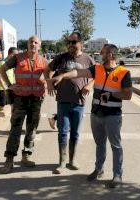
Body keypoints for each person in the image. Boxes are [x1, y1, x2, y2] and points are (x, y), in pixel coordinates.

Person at [50, 44, 132, 188]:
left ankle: (117, 175)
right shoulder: (97, 69)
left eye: (103, 52)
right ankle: (98, 170)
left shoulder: (124, 72)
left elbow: (128, 94)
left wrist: (112, 94)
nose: (100, 54)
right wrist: (62, 75)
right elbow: (78, 73)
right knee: (100, 144)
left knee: (115, 146)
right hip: (96, 115)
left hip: (113, 115)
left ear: (111, 55)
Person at [44, 32, 95, 174]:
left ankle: (72, 160)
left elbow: (97, 75)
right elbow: (47, 69)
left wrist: (90, 85)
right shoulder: (61, 58)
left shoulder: (88, 59)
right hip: (63, 100)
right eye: (69, 42)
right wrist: (49, 84)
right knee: (62, 132)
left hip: (79, 102)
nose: (70, 45)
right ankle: (61, 162)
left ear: (81, 43)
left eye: (74, 42)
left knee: (75, 133)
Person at [0, 35, 47, 174]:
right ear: (27, 44)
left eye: (36, 42)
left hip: (36, 100)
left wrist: (46, 79)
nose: (33, 44)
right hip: (20, 99)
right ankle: (9, 160)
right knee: (15, 129)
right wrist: (9, 85)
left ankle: (26, 155)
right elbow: (2, 69)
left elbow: (49, 74)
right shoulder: (18, 58)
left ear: (40, 45)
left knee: (32, 129)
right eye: (31, 42)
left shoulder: (43, 61)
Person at [0, 47, 18, 116]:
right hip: (2, 89)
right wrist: (4, 88)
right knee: (1, 106)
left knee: (13, 104)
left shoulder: (10, 64)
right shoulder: (2, 63)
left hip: (9, 87)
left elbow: (12, 75)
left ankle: (13, 118)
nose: (16, 57)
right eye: (15, 55)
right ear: (10, 54)